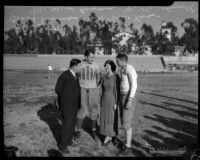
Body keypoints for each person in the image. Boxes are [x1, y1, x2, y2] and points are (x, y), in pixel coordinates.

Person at [55, 58, 81, 154]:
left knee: (72, 124)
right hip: (67, 105)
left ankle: (69, 141)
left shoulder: (76, 75)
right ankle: (62, 146)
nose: (80, 68)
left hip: (74, 105)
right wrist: (66, 98)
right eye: (79, 66)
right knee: (67, 125)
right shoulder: (64, 76)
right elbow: (58, 89)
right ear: (74, 66)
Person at [75, 48, 101, 142]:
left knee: (93, 109)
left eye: (93, 57)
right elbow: (75, 76)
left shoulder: (96, 65)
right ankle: (78, 131)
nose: (92, 59)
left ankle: (93, 131)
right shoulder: (80, 65)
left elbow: (99, 77)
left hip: (93, 90)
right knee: (81, 109)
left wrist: (95, 86)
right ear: (85, 57)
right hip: (82, 89)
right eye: (91, 57)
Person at [116, 54, 138, 156]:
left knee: (126, 122)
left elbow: (134, 84)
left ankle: (128, 147)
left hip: (128, 96)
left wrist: (129, 99)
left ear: (123, 60)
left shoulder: (130, 69)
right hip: (122, 96)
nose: (116, 62)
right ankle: (127, 144)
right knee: (124, 121)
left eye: (118, 60)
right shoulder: (121, 69)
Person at [99, 60, 120, 146]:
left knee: (110, 119)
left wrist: (116, 102)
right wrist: (100, 100)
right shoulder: (103, 76)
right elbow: (101, 89)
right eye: (105, 66)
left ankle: (108, 137)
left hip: (112, 100)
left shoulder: (116, 77)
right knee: (104, 117)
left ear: (111, 66)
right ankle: (110, 136)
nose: (106, 67)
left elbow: (116, 90)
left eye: (108, 66)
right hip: (104, 100)